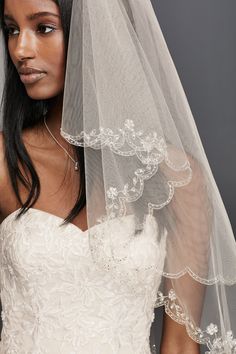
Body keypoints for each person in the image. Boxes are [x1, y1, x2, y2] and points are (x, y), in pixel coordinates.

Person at [0, 0, 236, 353]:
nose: (20, 49)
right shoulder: (6, 161)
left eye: (44, 28)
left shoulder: (176, 179)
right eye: (11, 30)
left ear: (97, 34)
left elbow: (181, 345)